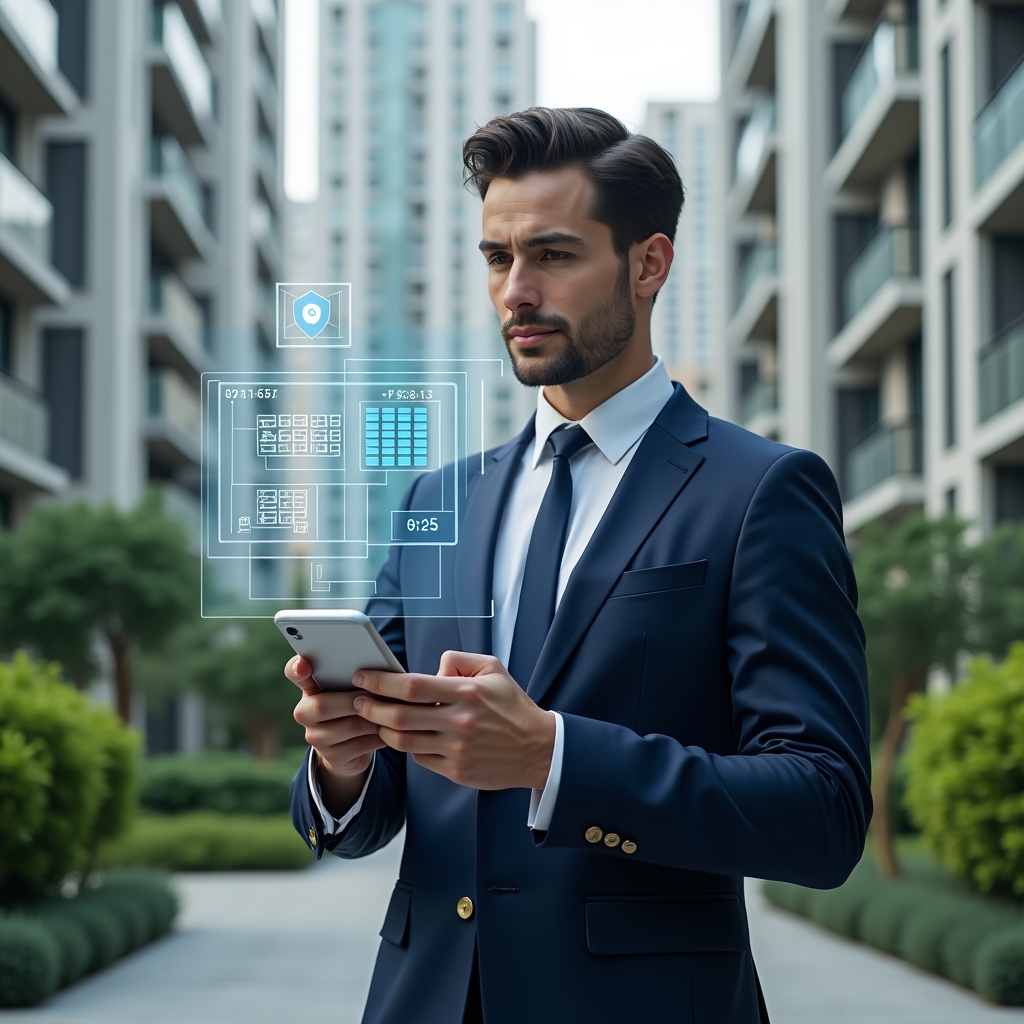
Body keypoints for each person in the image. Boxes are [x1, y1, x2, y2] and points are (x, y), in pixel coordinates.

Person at [287, 107, 871, 1024]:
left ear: (650, 265)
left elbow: (824, 809)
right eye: (496, 259)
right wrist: (341, 765)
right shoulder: (437, 501)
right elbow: (375, 802)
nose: (516, 290)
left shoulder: (762, 491)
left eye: (554, 256)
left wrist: (554, 757)